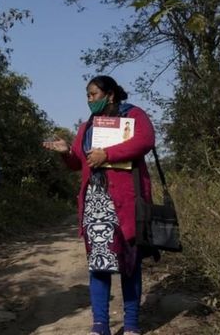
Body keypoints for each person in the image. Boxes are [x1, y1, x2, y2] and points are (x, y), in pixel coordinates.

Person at [42, 76, 157, 335]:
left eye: (93, 94)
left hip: (127, 202)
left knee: (130, 263)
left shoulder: (134, 115)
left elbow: (146, 140)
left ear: (111, 95)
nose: (89, 99)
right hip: (96, 203)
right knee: (99, 263)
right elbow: (78, 163)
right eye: (87, 95)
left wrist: (108, 154)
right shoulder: (87, 127)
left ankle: (131, 325)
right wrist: (65, 152)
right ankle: (100, 325)